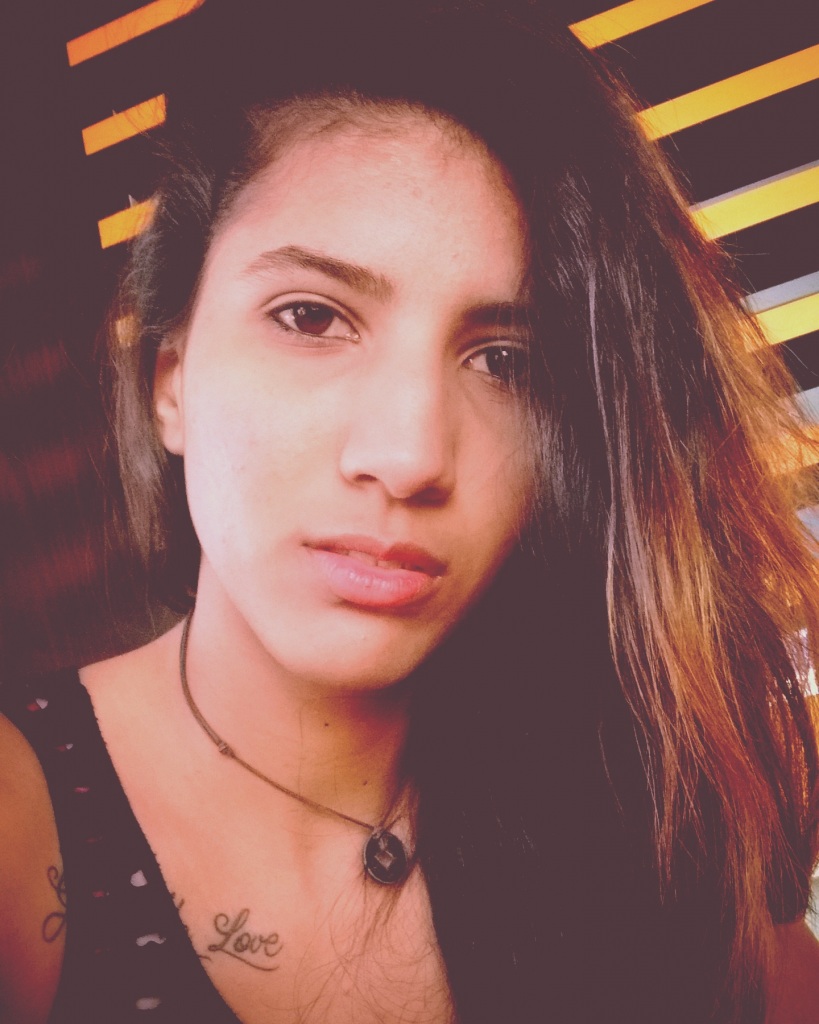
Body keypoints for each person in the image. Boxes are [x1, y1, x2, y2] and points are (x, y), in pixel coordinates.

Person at [1, 1, 817, 1021]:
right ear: (171, 379)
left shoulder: (633, 792)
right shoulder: (26, 822)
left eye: (505, 362)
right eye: (311, 316)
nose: (410, 457)